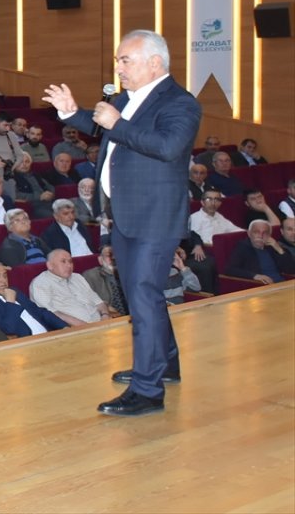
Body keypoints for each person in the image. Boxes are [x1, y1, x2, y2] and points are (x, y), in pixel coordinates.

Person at [44, 29, 202, 417]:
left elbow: (166, 147)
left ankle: (147, 391)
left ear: (155, 63)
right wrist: (71, 111)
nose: (117, 67)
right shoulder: (126, 100)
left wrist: (117, 123)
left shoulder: (181, 103)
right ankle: (164, 365)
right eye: (118, 60)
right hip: (126, 213)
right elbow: (103, 126)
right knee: (140, 296)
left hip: (154, 216)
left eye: (124, 60)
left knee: (144, 296)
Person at [0, 262, 68, 337]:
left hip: (48, 335)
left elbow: (39, 311)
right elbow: (8, 329)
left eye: (5, 276)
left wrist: (63, 326)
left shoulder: (14, 290)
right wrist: (10, 302)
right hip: (27, 345)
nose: (3, 280)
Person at [29, 250, 114, 326]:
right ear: (50, 265)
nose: (69, 265)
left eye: (70, 262)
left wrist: (105, 315)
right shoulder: (41, 283)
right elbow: (50, 314)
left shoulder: (77, 277)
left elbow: (98, 302)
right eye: (63, 262)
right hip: (74, 329)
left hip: (101, 323)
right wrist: (83, 326)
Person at [224, 220, 295, 284]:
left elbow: (290, 270)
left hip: (282, 284)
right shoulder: (243, 247)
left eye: (265, 233)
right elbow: (230, 269)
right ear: (249, 233)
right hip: (260, 286)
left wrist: (279, 249)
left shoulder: (271, 247)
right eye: (256, 232)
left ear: (269, 235)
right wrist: (255, 276)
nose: (260, 236)